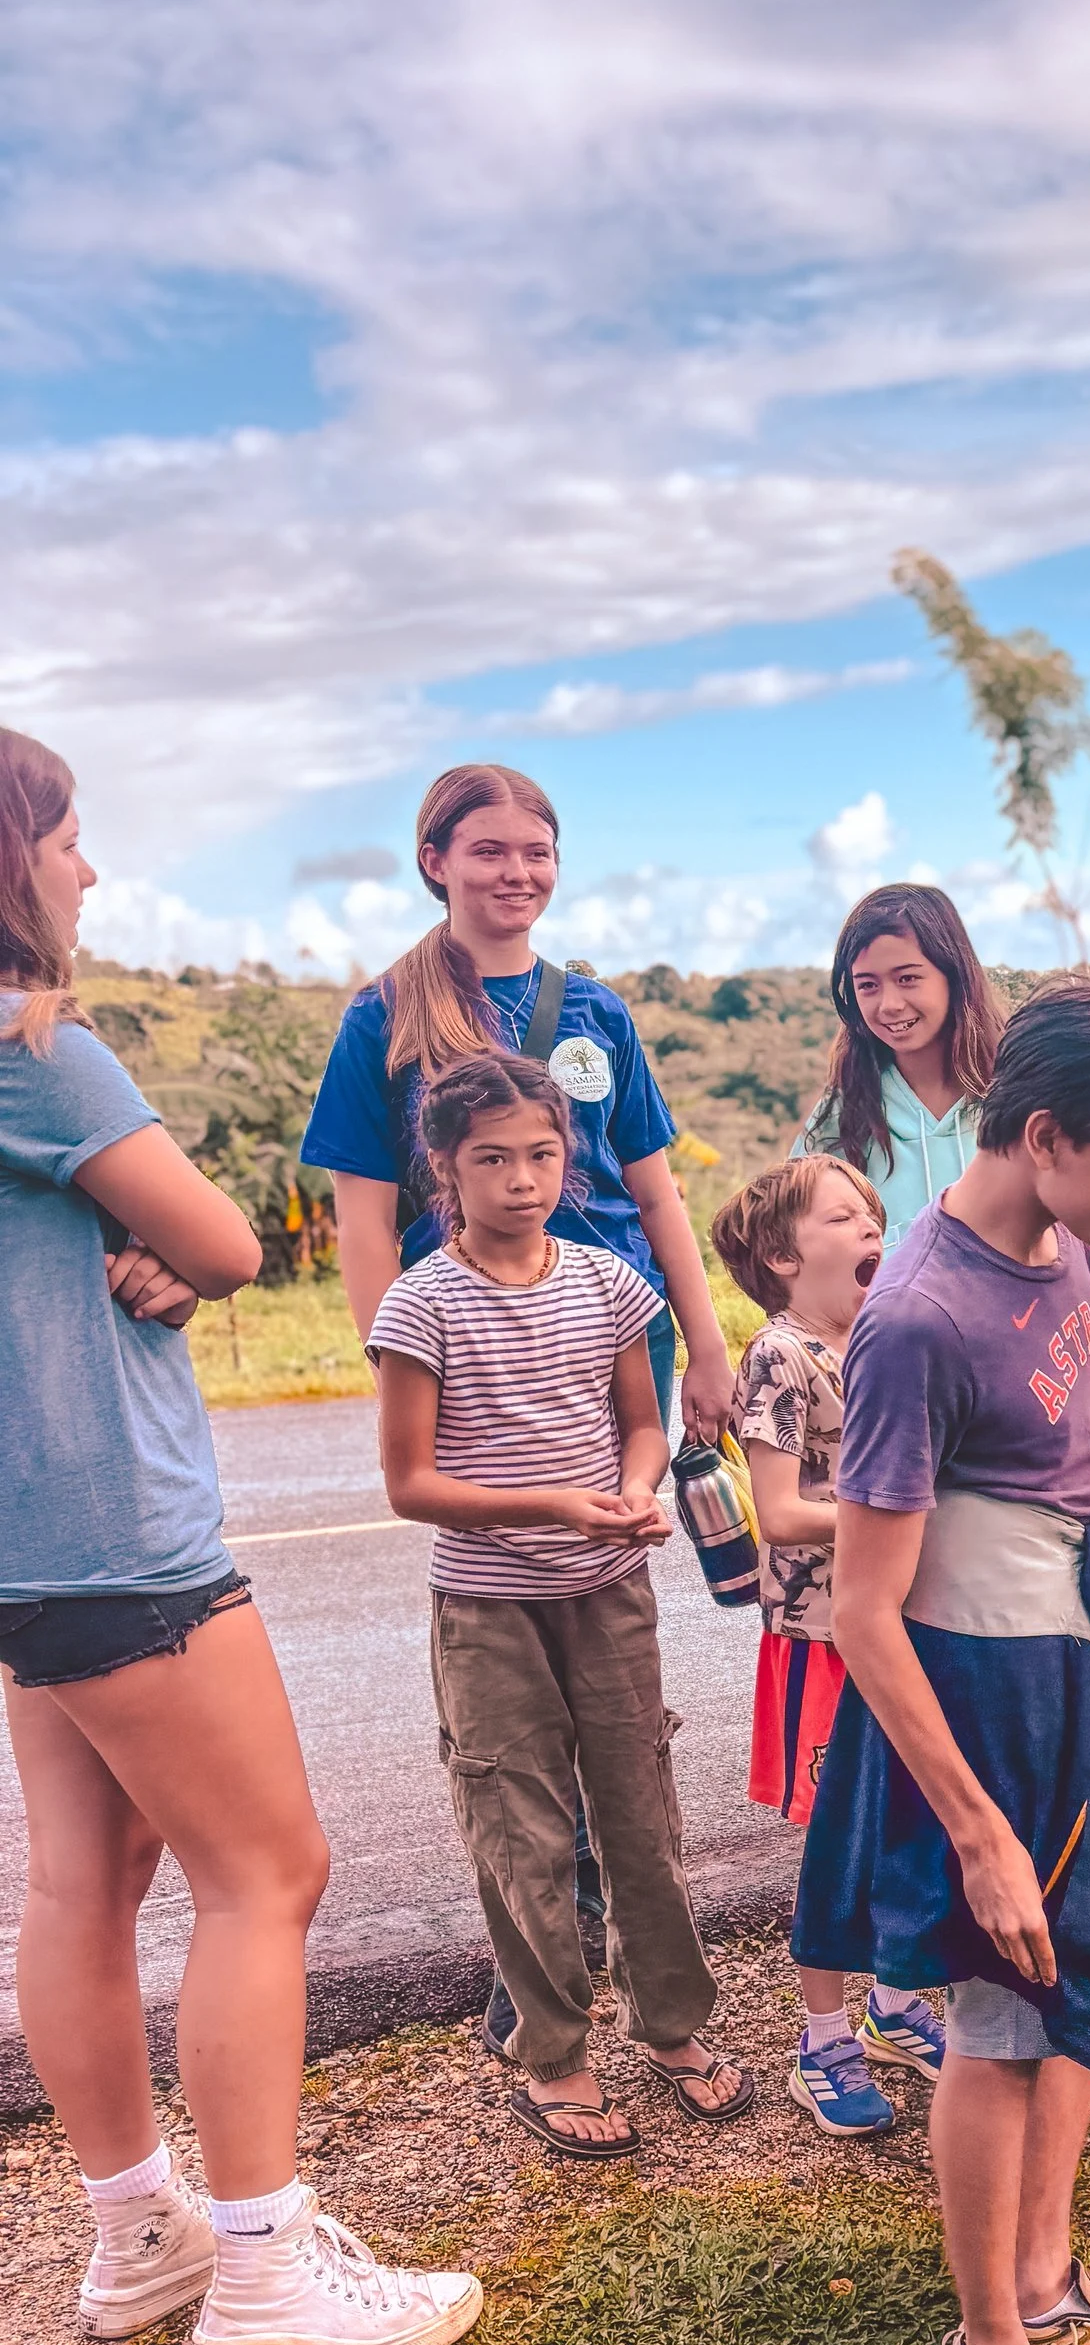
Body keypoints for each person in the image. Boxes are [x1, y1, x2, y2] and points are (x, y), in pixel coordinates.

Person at [0, 725, 482, 2345]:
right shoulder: (38, 1047)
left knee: (85, 1879)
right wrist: (168, 1245)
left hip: (23, 1549)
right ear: (14, 858)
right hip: (120, 1536)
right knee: (268, 1874)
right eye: (68, 838)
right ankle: (268, 2267)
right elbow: (217, 1234)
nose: (90, 868)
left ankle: (141, 2233)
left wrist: (123, 1244)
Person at [807, 974, 1090, 2345]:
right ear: (1046, 1136)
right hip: (976, 1697)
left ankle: (1047, 2282)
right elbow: (864, 1609)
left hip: (1079, 1659)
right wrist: (979, 1829)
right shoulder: (916, 1320)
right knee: (997, 2012)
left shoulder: (1056, 1239)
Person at [302, 761, 739, 2026]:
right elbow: (364, 1219)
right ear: (434, 860)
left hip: (614, 1338)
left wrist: (704, 1347)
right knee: (511, 1672)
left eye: (535, 850)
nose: (516, 872)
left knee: (609, 1655)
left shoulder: (594, 1008)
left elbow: (654, 1192)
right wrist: (402, 1363)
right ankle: (546, 1947)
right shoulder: (381, 1016)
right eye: (487, 850)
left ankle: (594, 1920)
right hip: (473, 1351)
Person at [371, 1049, 752, 2160]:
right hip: (489, 1614)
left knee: (641, 1812)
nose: (522, 1179)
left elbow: (642, 1422)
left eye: (541, 1154)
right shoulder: (421, 1303)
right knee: (519, 1830)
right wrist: (553, 1506)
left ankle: (674, 2027)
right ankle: (555, 2056)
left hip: (610, 1595)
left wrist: (635, 1491)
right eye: (491, 1159)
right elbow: (410, 1485)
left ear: (567, 1154)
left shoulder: (606, 1283)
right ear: (445, 1167)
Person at [709, 1153, 948, 2137]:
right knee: (836, 1842)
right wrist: (886, 1513)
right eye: (841, 1217)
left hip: (903, 1619)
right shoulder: (780, 1354)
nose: (868, 1231)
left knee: (911, 1818)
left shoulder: (884, 1339)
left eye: (871, 1216)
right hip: (823, 1636)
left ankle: (893, 2007)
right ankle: (823, 2040)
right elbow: (776, 1511)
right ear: (779, 1255)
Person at [790, 881, 1003, 1224]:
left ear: (954, 975)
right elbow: (791, 1231)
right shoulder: (844, 1117)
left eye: (907, 979)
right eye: (868, 985)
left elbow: (1076, 1248)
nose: (889, 1005)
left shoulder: (1019, 1098)